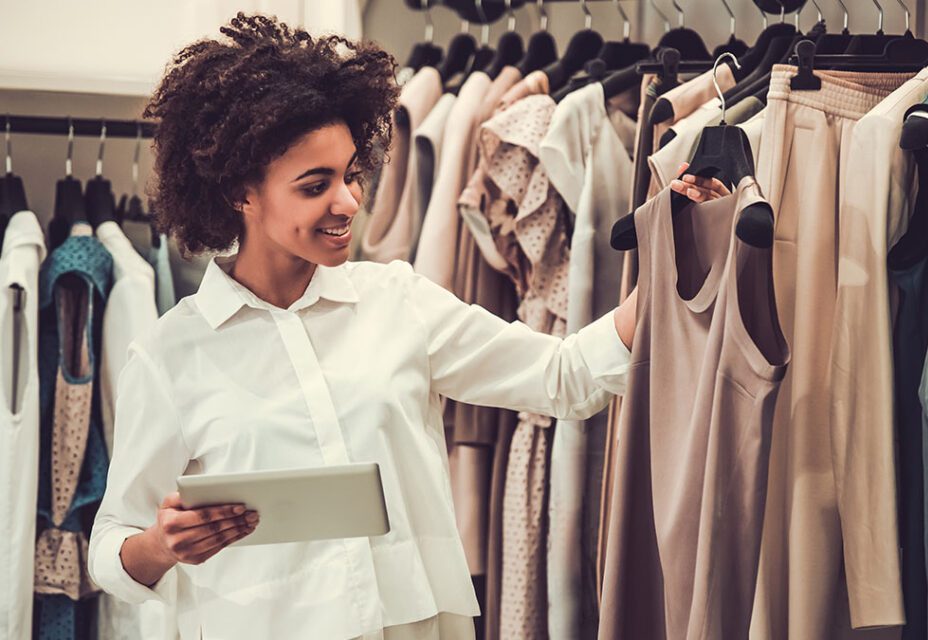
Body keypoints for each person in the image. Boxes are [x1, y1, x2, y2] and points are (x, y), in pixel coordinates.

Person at [87, 13, 727, 640]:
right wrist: (160, 545)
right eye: (316, 185)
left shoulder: (398, 302)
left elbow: (563, 377)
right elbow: (110, 546)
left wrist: (670, 258)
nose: (348, 202)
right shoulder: (173, 354)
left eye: (351, 175)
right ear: (239, 193)